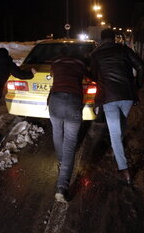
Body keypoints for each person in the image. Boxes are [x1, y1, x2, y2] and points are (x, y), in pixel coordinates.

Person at [90, 28, 144, 185]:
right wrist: (138, 86)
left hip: (109, 96)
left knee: (115, 132)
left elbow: (94, 75)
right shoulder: (124, 49)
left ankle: (124, 169)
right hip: (127, 95)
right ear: (114, 38)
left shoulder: (96, 54)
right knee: (121, 125)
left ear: (101, 39)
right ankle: (117, 150)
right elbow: (141, 66)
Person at [48, 46, 89, 202]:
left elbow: (53, 76)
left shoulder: (56, 63)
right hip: (73, 101)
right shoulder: (80, 63)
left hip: (55, 100)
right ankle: (62, 187)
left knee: (57, 133)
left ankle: (61, 160)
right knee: (70, 143)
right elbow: (89, 77)